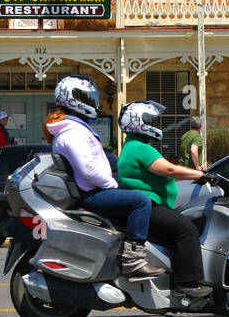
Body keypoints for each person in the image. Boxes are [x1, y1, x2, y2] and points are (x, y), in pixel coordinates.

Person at [48, 75, 164, 278]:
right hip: (92, 192)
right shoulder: (72, 132)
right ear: (73, 99)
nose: (92, 102)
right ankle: (133, 259)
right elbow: (88, 169)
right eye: (86, 97)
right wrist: (112, 184)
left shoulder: (71, 128)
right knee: (141, 201)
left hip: (92, 189)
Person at [116, 100, 210, 299]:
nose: (153, 125)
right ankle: (186, 284)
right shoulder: (140, 147)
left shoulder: (131, 145)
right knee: (188, 231)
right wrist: (200, 175)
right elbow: (168, 169)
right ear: (137, 122)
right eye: (149, 120)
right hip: (149, 205)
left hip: (147, 205)